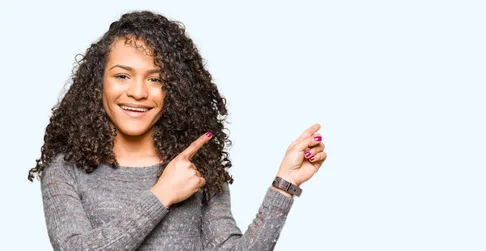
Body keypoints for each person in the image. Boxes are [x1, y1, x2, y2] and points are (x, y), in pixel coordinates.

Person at [28, 10, 327, 251]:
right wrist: (163, 194)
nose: (138, 92)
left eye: (156, 79)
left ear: (175, 89)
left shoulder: (197, 167)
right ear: (99, 83)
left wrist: (284, 184)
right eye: (122, 75)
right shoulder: (66, 169)